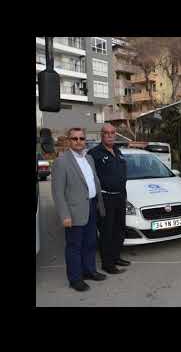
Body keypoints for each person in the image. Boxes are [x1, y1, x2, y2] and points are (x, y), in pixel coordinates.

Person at [51, 127, 107, 292]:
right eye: (74, 139)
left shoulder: (89, 158)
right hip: (73, 211)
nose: (78, 142)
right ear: (69, 140)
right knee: (74, 246)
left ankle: (89, 271)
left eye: (81, 138)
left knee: (90, 242)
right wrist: (64, 215)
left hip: (91, 206)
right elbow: (58, 192)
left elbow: (94, 182)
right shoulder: (61, 162)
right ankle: (75, 279)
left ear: (85, 140)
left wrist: (99, 204)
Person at [88, 123, 129, 275]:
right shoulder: (94, 153)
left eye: (113, 132)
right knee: (107, 232)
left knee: (119, 230)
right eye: (107, 133)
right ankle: (107, 264)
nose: (110, 135)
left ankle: (116, 257)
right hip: (105, 199)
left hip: (120, 197)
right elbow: (91, 179)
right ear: (102, 135)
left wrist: (124, 196)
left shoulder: (118, 151)